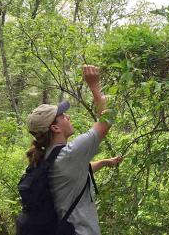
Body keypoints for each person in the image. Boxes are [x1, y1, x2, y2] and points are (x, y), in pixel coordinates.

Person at [26, 65, 123, 235]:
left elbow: (76, 174)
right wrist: (94, 85)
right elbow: (107, 119)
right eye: (62, 115)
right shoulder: (70, 154)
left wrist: (105, 162)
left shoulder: (48, 157)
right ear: (55, 128)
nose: (68, 116)